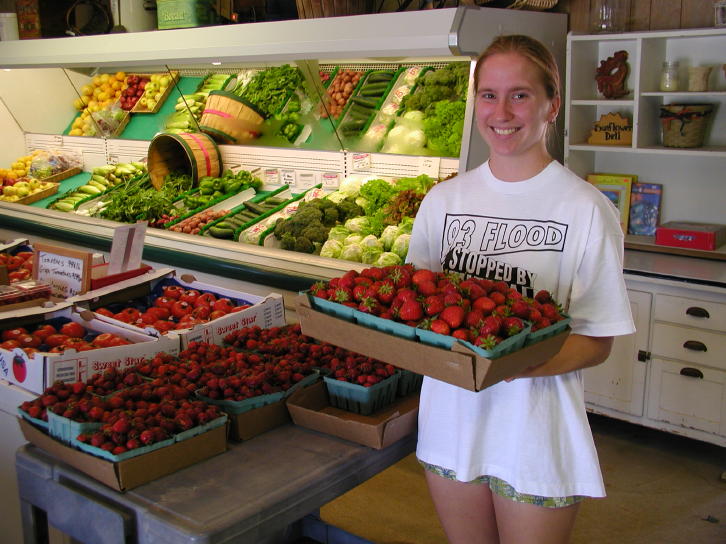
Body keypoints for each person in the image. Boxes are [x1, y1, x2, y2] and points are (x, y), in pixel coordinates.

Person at [406, 35, 636, 543]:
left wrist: (510, 363)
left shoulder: (584, 209)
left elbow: (598, 340)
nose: (502, 111)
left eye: (520, 95)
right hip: (451, 424)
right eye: (489, 94)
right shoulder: (442, 202)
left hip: (533, 432)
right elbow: (412, 320)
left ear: (551, 103)